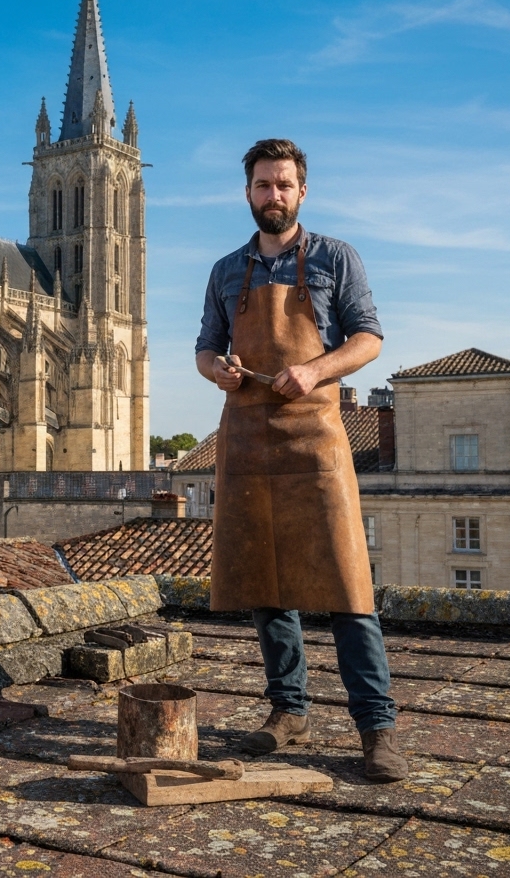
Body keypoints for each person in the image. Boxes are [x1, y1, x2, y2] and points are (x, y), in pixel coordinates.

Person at [194, 137, 408, 782]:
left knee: (346, 586)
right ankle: (288, 712)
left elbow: (368, 338)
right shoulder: (227, 270)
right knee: (268, 585)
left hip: (315, 438)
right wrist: (220, 373)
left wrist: (315, 370)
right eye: (263, 185)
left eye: (283, 184)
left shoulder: (336, 257)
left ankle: (377, 729)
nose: (273, 195)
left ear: (302, 190)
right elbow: (205, 348)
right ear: (248, 192)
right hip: (249, 437)